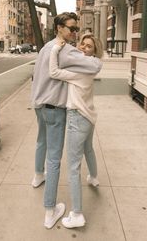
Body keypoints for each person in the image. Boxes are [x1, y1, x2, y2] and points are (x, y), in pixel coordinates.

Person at [31, 12, 102, 229]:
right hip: (55, 110)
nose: (74, 33)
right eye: (71, 29)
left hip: (39, 106)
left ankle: (36, 176)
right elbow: (95, 66)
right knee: (54, 160)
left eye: (76, 29)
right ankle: (50, 212)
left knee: (41, 142)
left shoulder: (46, 47)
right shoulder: (66, 50)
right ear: (59, 28)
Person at [49, 33, 103, 228]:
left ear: (94, 51)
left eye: (89, 46)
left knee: (73, 166)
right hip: (89, 117)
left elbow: (53, 72)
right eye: (82, 44)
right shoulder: (91, 66)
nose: (83, 48)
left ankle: (77, 214)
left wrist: (55, 48)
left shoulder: (81, 70)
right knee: (88, 149)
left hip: (77, 118)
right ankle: (94, 177)